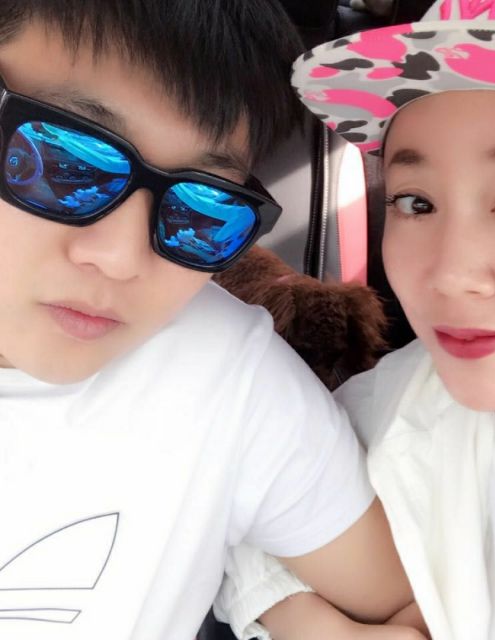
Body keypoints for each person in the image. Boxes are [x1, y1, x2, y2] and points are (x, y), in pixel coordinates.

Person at [213, 1, 495, 638]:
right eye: (415, 202)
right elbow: (253, 526)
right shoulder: (394, 406)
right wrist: (301, 619)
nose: (449, 272)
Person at [0, 1, 421, 638]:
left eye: (202, 211)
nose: (121, 258)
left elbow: (417, 604)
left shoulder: (229, 379)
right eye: (65, 165)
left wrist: (280, 605)